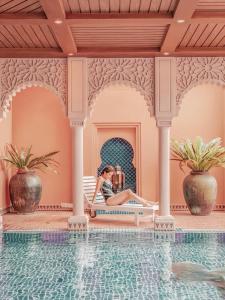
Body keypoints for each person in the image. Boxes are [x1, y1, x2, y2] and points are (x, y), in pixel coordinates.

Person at [92, 165, 156, 207]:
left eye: (111, 175)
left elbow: (111, 190)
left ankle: (148, 202)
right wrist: (92, 203)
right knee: (128, 191)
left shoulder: (107, 179)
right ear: (105, 172)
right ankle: (146, 204)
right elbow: (96, 191)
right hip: (109, 201)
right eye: (109, 174)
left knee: (131, 195)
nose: (110, 176)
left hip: (114, 199)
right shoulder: (100, 178)